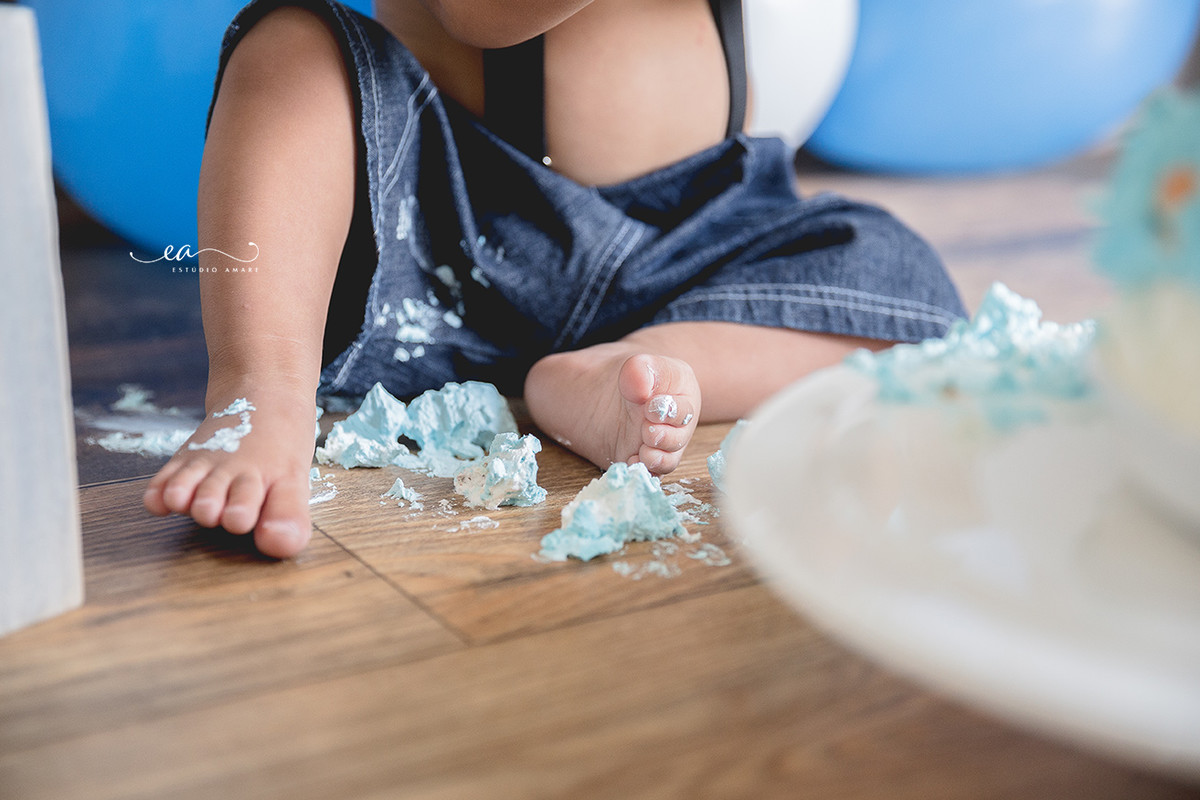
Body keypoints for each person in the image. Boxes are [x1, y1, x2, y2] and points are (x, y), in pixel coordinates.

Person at [144, 0, 967, 558]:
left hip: (685, 232)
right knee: (289, 48)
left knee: (888, 269)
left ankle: (630, 367)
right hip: (446, 221)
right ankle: (260, 393)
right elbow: (480, 16)